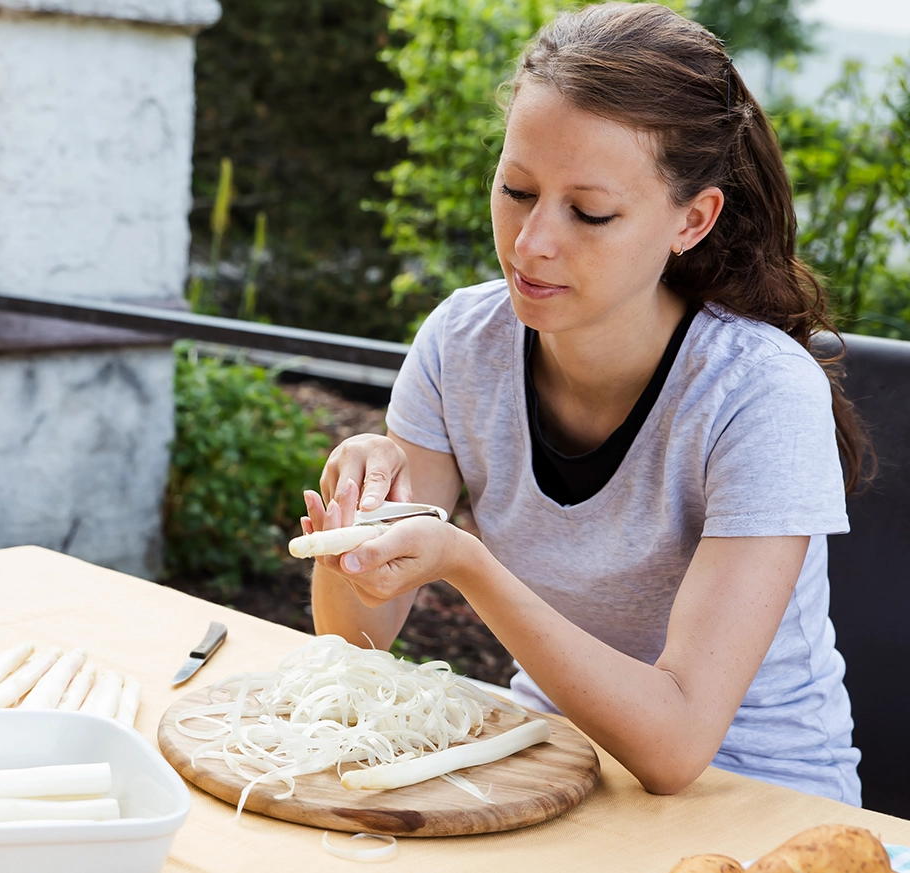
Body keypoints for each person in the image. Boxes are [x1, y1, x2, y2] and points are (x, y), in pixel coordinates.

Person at [303, 1, 870, 805]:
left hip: (760, 804)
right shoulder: (461, 342)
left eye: (590, 212)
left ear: (692, 219)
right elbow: (355, 637)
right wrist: (352, 534)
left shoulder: (759, 393)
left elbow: (676, 749)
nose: (531, 242)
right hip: (543, 766)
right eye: (516, 189)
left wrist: (467, 563)